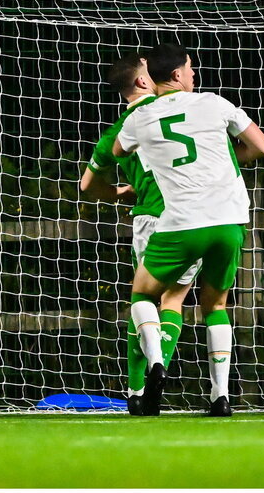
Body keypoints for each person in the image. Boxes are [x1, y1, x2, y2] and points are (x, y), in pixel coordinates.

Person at [113, 42, 264, 416]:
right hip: (230, 220)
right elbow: (263, 147)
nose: (194, 74)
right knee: (216, 305)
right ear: (177, 75)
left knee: (143, 295)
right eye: (190, 68)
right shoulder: (214, 103)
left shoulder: (139, 118)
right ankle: (221, 396)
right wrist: (227, 158)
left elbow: (119, 151)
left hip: (181, 223)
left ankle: (156, 362)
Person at [80, 52, 192, 416]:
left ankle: (136, 387)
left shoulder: (122, 127)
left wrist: (116, 193)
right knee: (174, 301)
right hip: (190, 215)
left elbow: (86, 185)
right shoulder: (182, 111)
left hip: (146, 218)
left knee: (141, 298)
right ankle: (164, 367)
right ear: (144, 82)